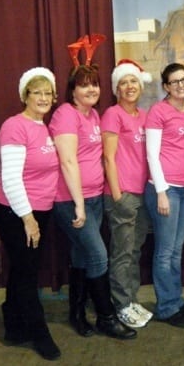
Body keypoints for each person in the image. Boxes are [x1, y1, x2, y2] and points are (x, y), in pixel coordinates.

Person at [49, 35, 136, 340]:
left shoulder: (95, 114)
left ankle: (76, 313)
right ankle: (106, 316)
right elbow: (68, 162)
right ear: (72, 90)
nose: (92, 90)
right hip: (71, 200)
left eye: (95, 84)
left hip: (95, 196)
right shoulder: (64, 115)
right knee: (98, 256)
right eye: (84, 85)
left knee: (81, 255)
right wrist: (79, 205)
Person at [0, 67, 61, 360]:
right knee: (28, 273)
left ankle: (13, 324)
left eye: (48, 93)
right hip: (14, 211)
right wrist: (28, 218)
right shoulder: (14, 126)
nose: (43, 98)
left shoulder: (43, 127)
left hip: (39, 210)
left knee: (22, 268)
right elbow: (11, 179)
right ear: (25, 96)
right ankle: (38, 333)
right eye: (37, 92)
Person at [144, 62, 184, 328]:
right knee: (165, 251)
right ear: (165, 86)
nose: (180, 85)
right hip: (167, 190)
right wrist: (161, 191)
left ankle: (175, 299)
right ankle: (166, 306)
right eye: (174, 81)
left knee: (177, 249)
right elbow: (152, 154)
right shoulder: (158, 112)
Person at [100, 59, 153, 329]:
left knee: (134, 250)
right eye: (123, 82)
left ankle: (131, 300)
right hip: (122, 194)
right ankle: (120, 305)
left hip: (143, 195)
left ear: (140, 85)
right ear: (116, 88)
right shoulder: (112, 114)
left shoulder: (144, 116)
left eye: (133, 81)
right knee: (121, 252)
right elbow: (108, 158)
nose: (129, 86)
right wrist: (118, 196)